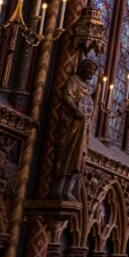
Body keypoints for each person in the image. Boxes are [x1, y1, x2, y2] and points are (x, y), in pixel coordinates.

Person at [53, 58, 97, 200]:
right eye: (89, 68)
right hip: (73, 125)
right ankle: (59, 189)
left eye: (93, 70)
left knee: (79, 158)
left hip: (83, 128)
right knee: (69, 155)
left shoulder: (88, 88)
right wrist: (75, 110)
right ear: (83, 68)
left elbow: (89, 106)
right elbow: (67, 96)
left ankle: (68, 190)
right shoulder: (73, 80)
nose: (91, 72)